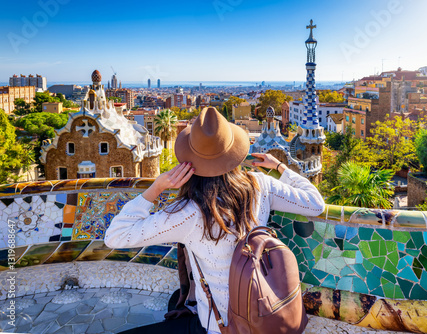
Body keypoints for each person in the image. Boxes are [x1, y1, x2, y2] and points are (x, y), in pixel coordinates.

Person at [104, 107, 325, 333]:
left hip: (220, 326)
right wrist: (279, 166)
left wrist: (156, 187)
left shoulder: (187, 213)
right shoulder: (260, 185)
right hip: (265, 312)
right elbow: (316, 204)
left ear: (189, 163)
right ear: (234, 153)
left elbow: (114, 237)